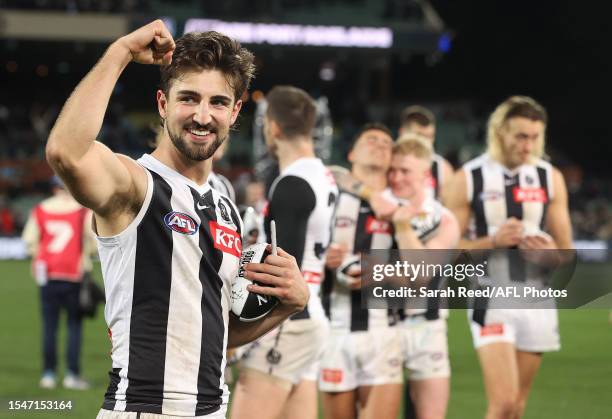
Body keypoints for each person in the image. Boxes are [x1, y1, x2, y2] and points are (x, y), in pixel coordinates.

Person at [46, 20, 309, 418]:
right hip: (145, 408)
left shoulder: (225, 205)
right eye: (188, 98)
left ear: (235, 110)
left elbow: (220, 336)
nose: (203, 116)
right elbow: (67, 153)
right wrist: (120, 52)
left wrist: (286, 306)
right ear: (163, 104)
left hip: (211, 409)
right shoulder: (137, 185)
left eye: (218, 102)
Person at [446, 96, 573, 419]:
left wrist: (550, 255)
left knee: (516, 406)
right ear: (500, 132)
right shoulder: (468, 178)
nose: (528, 144)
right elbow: (445, 251)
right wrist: (494, 240)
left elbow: (566, 251)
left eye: (534, 137)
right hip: (491, 295)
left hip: (537, 298)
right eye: (520, 136)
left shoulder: (549, 177)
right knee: (502, 403)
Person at [231, 86, 338, 419]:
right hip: (311, 314)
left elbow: (280, 272)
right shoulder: (323, 174)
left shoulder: (291, 182)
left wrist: (237, 333)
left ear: (273, 128)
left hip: (288, 323)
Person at [319, 123, 404, 419]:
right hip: (334, 329)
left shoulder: (403, 205)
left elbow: (421, 274)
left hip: (383, 330)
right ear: (352, 152)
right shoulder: (328, 193)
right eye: (372, 139)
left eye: (386, 142)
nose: (380, 144)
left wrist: (380, 272)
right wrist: (323, 258)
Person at [386, 134, 460, 419]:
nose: (397, 177)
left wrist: (402, 226)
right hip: (383, 326)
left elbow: (420, 275)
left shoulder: (444, 219)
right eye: (393, 170)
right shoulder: (376, 211)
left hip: (427, 328)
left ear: (425, 175)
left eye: (405, 171)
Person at [22, 175, 96, 390]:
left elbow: (29, 242)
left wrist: (39, 259)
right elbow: (92, 243)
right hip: (74, 275)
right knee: (74, 327)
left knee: (49, 327)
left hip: (47, 275)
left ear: (54, 189)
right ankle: (72, 374)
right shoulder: (82, 210)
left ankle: (49, 374)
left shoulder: (40, 209)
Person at [398, 105, 454, 202]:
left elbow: (450, 208)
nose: (426, 142)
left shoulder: (442, 168)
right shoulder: (386, 162)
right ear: (402, 132)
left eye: (430, 136)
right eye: (419, 135)